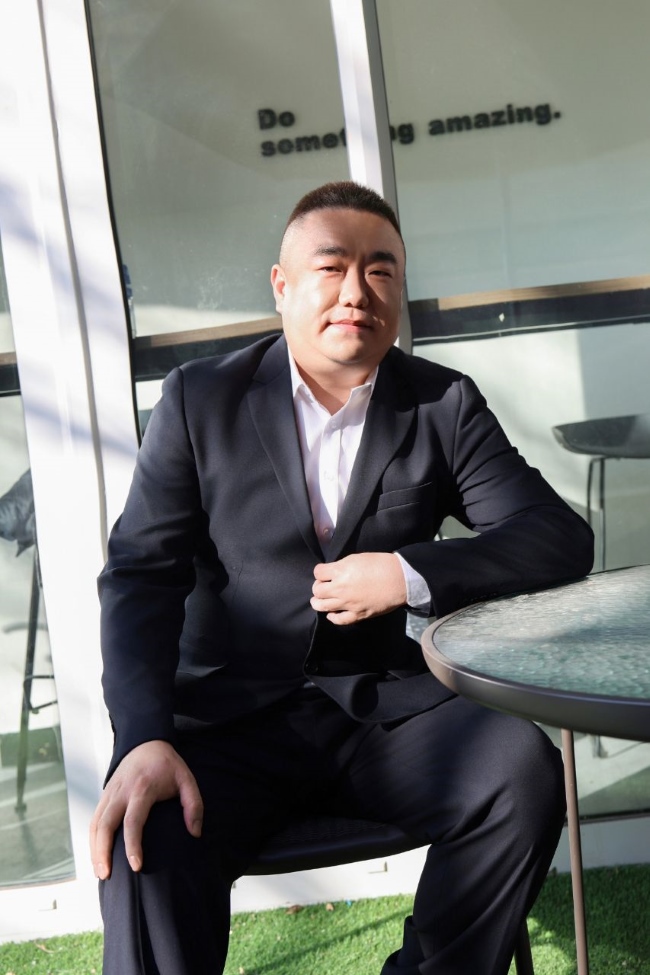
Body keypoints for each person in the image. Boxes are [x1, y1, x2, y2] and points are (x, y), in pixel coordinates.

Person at [91, 181, 593, 975]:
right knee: (142, 827)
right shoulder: (200, 400)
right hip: (228, 727)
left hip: (387, 719)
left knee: (520, 768)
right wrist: (143, 736)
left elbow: (557, 537)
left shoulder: (442, 404)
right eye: (332, 267)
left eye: (381, 270)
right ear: (282, 285)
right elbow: (139, 578)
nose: (357, 292)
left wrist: (408, 571)